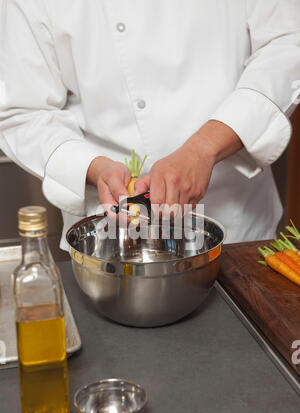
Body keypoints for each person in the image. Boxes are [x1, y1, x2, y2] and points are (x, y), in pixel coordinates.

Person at [0, 0, 299, 250]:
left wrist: (205, 148)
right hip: (110, 236)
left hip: (236, 223)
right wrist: (93, 168)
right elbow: (23, 111)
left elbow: (288, 43)